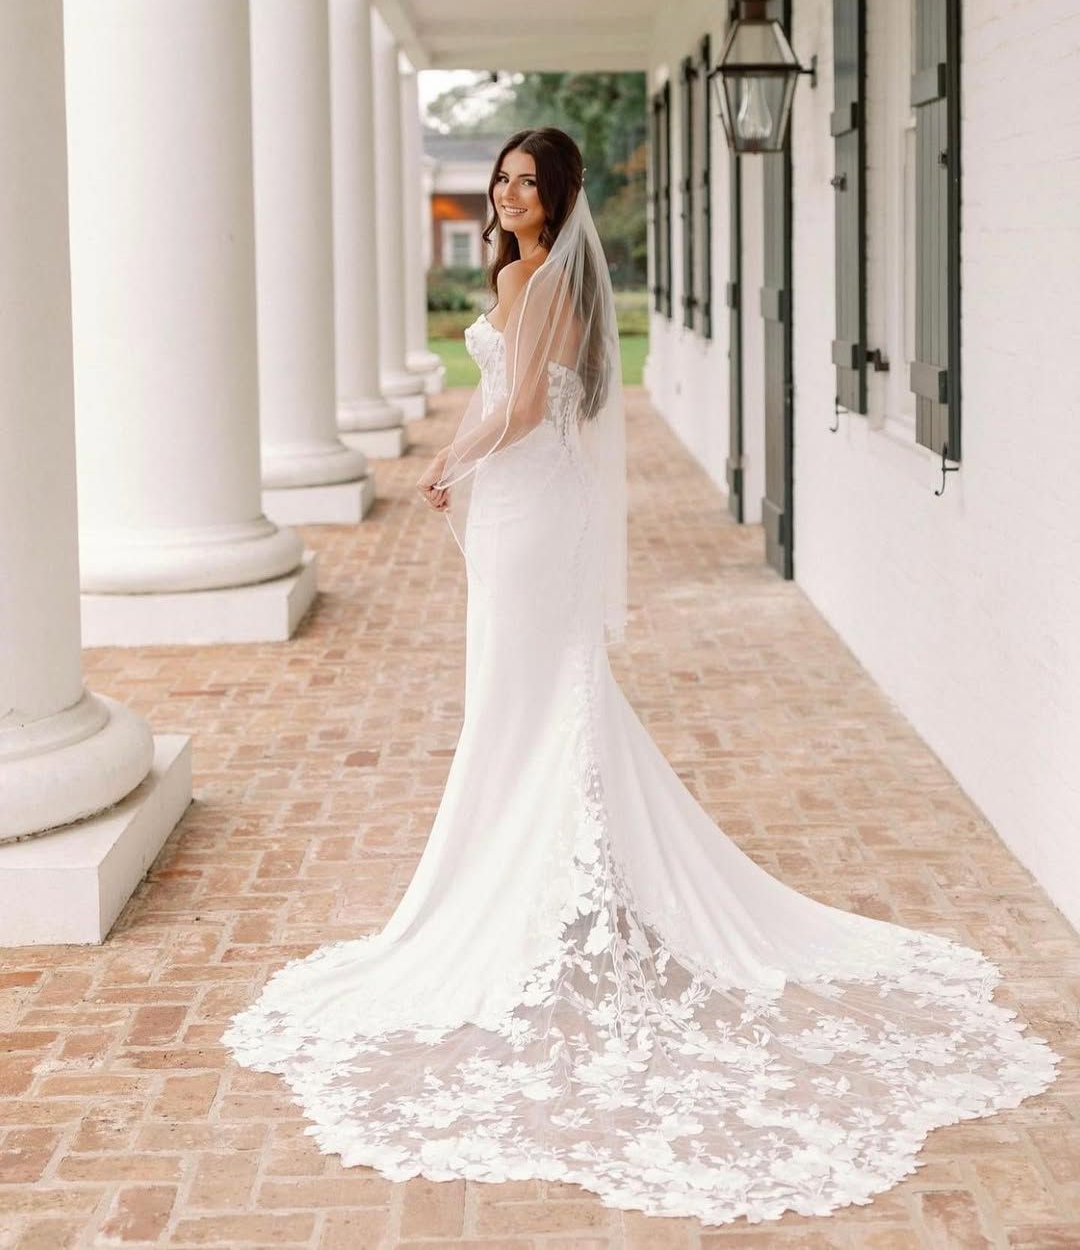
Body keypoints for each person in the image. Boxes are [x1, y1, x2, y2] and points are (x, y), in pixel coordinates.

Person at [222, 127, 1060, 1227]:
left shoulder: (536, 278)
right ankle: (560, 872)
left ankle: (534, 882)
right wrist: (470, 459)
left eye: (528, 181)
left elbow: (526, 406)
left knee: (526, 694)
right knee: (536, 691)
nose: (510, 193)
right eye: (503, 179)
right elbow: (530, 397)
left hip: (531, 504)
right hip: (535, 501)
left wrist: (451, 458)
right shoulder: (540, 276)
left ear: (557, 195)